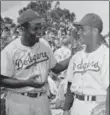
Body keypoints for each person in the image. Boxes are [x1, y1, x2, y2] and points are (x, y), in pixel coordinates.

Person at [0, 9, 73, 115]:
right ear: (22, 29)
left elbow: (55, 67)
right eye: (35, 28)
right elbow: (1, 80)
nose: (39, 32)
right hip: (19, 101)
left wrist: (73, 57)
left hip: (42, 99)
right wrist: (26, 82)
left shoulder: (44, 44)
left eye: (40, 27)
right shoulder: (10, 50)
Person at [62, 13, 109, 115]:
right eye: (78, 29)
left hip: (98, 106)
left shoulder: (106, 55)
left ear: (95, 31)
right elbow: (70, 85)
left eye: (82, 29)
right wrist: (66, 110)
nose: (78, 32)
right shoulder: (75, 57)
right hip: (77, 106)